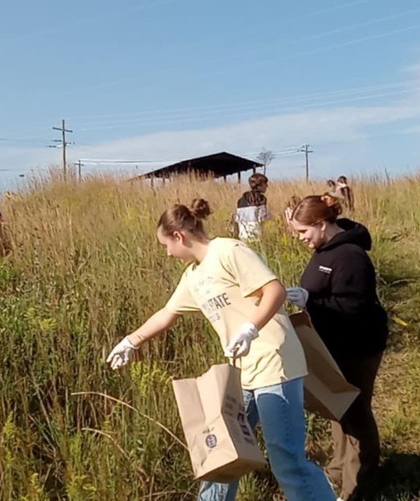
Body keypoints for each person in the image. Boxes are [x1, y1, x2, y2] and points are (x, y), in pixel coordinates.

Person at [105, 199, 335, 501]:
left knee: (286, 460)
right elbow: (167, 313)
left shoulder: (229, 251)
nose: (167, 254)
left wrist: (251, 328)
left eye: (165, 245)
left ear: (179, 236)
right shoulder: (194, 276)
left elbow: (274, 290)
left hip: (273, 363)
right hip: (241, 373)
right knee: (222, 454)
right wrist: (131, 341)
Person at [284, 194, 388, 501]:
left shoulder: (350, 256)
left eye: (304, 232)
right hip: (334, 343)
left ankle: (359, 483)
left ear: (320, 224)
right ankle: (338, 470)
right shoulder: (325, 250)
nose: (301, 239)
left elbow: (355, 306)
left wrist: (311, 300)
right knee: (337, 408)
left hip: (359, 345)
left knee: (355, 410)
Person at [235, 173, 269, 241]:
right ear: (260, 185)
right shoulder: (261, 199)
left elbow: (237, 219)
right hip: (256, 237)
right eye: (265, 184)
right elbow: (263, 219)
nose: (267, 186)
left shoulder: (241, 199)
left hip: (242, 236)